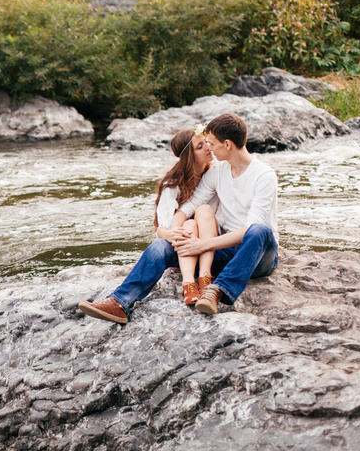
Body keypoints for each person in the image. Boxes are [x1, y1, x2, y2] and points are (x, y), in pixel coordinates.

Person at [79, 113, 278, 323]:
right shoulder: (219, 171)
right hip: (223, 248)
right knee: (160, 247)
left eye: (212, 143)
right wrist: (177, 234)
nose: (210, 147)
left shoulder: (264, 175)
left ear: (227, 144)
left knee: (259, 230)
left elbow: (249, 228)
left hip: (258, 255)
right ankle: (120, 303)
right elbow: (188, 207)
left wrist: (203, 245)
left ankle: (216, 291)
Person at [151, 125, 220, 305]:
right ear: (189, 156)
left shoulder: (216, 173)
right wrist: (172, 233)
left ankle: (205, 279)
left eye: (207, 142)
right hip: (182, 246)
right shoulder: (173, 184)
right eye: (200, 146)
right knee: (189, 224)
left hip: (210, 243)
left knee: (202, 211)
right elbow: (162, 229)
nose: (208, 147)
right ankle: (188, 283)